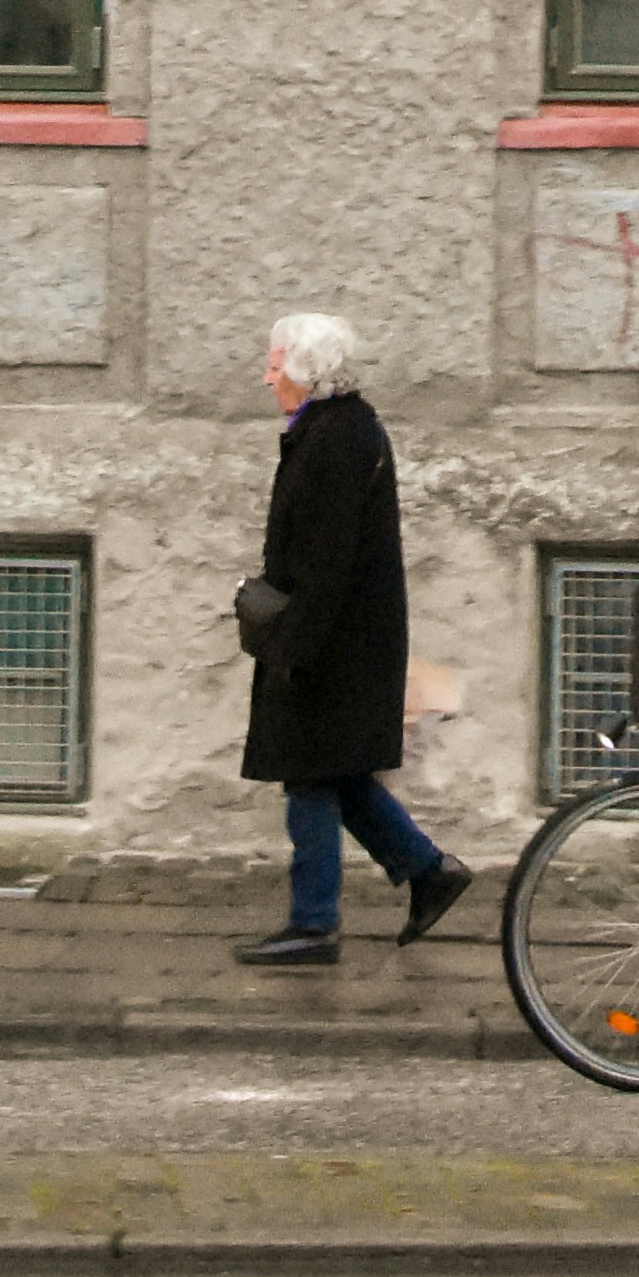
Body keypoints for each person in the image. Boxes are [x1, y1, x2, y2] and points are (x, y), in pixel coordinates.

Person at [233, 308, 478, 969]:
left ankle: (314, 924)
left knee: (310, 777)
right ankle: (428, 871)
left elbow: (326, 561)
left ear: (305, 369)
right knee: (335, 772)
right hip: (338, 639)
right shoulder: (335, 430)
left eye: (275, 365)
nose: (267, 378)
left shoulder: (336, 440)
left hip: (331, 644)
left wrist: (294, 649)